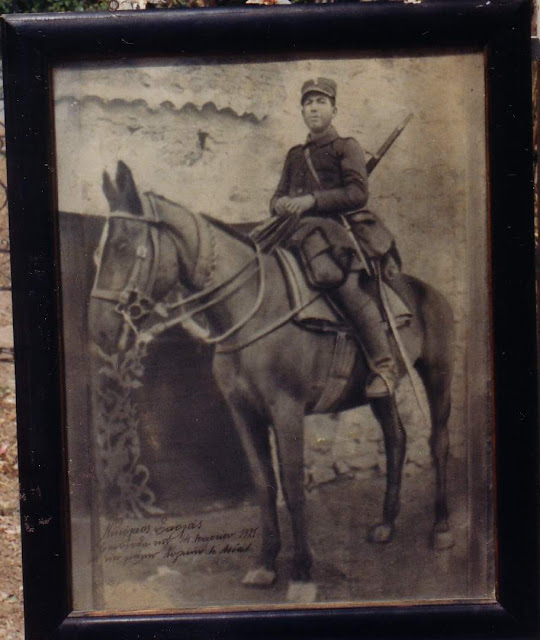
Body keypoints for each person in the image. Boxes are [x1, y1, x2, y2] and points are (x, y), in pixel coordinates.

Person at [270, 77, 396, 398]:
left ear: (334, 110)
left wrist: (311, 201)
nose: (313, 108)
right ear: (302, 111)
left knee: (339, 282)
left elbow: (357, 193)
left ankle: (384, 366)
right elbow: (278, 195)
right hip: (293, 232)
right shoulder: (295, 154)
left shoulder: (345, 147)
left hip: (332, 232)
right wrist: (280, 204)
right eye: (308, 103)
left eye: (321, 102)